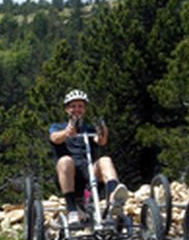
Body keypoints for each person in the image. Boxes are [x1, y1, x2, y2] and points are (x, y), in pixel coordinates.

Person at [49, 89, 129, 225]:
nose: (76, 109)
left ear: (85, 109)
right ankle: (72, 210)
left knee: (105, 160)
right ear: (67, 109)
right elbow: (54, 138)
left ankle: (114, 200)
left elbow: (101, 141)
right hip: (69, 175)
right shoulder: (57, 127)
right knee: (65, 161)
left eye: (80, 106)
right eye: (73, 106)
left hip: (89, 173)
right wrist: (67, 132)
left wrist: (103, 131)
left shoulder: (89, 129)